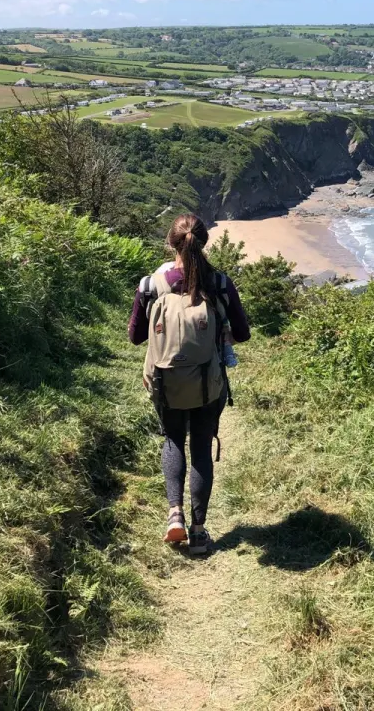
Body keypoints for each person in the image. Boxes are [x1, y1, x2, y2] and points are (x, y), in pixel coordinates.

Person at [128, 213, 251, 554]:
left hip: (165, 381)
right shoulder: (221, 283)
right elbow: (242, 333)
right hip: (208, 382)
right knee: (200, 447)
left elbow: (136, 337)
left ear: (171, 243)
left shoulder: (151, 284)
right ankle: (199, 531)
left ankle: (175, 517)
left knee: (172, 440)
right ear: (204, 243)